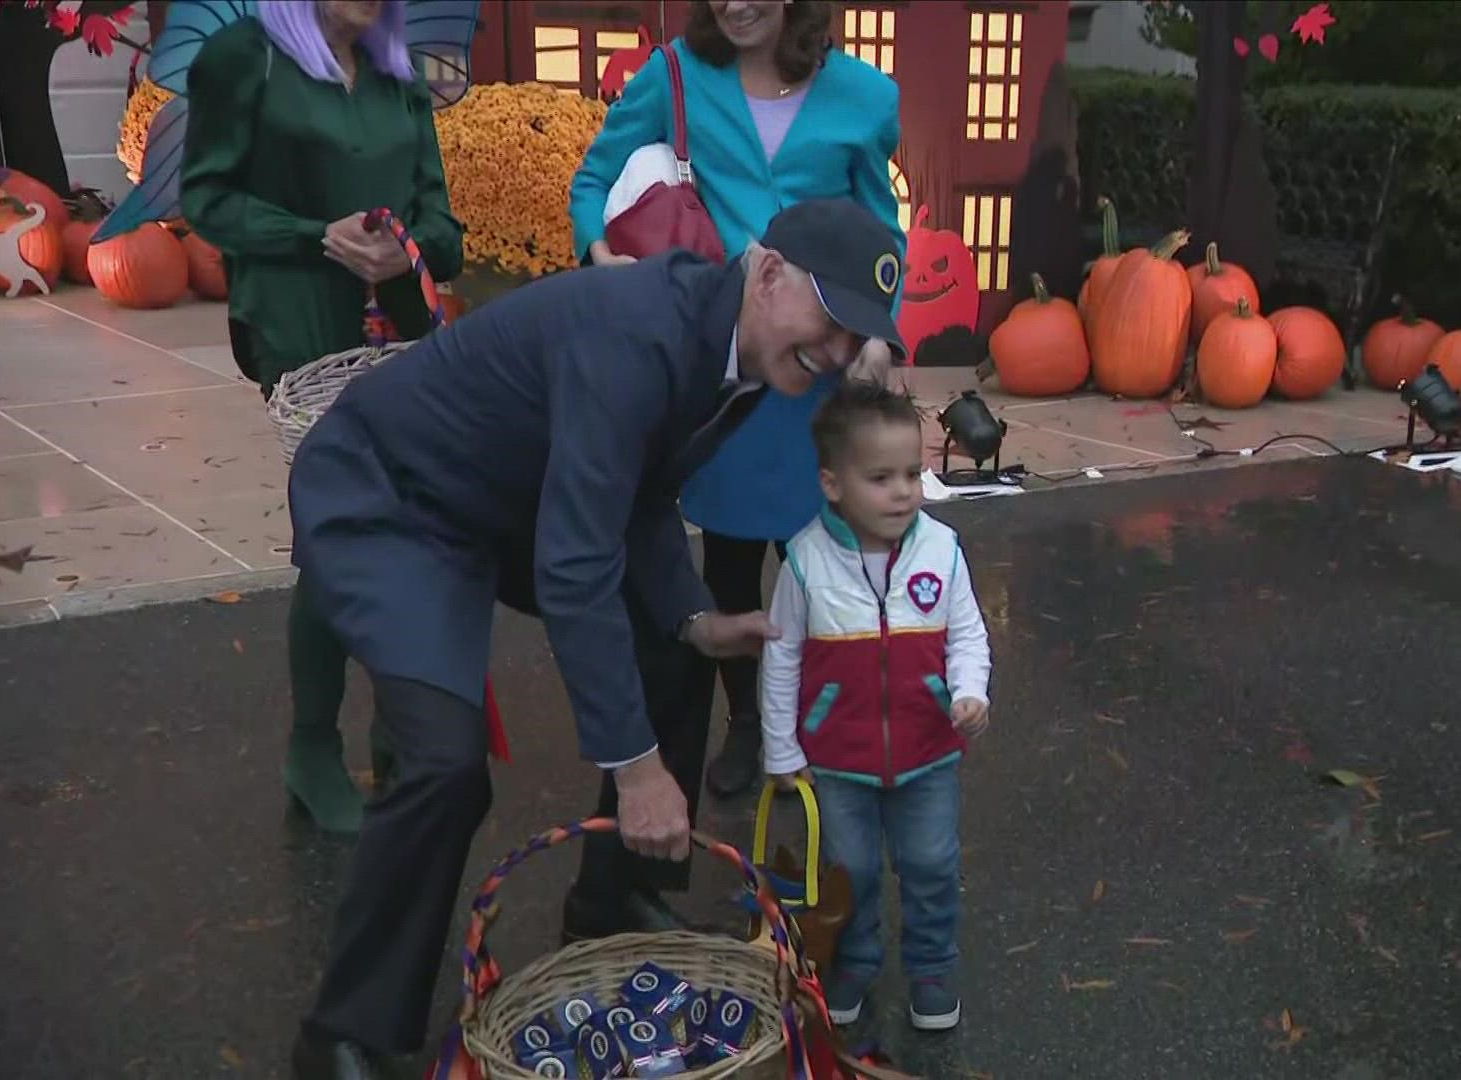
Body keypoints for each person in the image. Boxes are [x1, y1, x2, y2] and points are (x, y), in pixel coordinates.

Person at [286, 200, 906, 1078]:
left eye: (857, 336)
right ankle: (343, 1033)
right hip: (393, 497)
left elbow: (642, 492)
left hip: (507, 499)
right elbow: (577, 565)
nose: (840, 355)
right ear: (769, 275)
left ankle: (616, 904)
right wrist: (637, 767)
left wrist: (694, 617)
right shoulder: (639, 337)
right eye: (832, 321)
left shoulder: (738, 343)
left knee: (679, 646)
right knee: (443, 760)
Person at [569, 0, 906, 810]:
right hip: (722, 369)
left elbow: (881, 233)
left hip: (821, 374)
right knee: (726, 566)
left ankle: (820, 728)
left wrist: (879, 340)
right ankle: (749, 723)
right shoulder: (677, 75)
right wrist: (599, 254)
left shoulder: (867, 97)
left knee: (826, 568)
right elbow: (592, 180)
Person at [179, 0, 465, 834]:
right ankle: (312, 747)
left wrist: (406, 241)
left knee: (413, 528)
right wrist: (318, 236)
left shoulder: (398, 77)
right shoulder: (244, 58)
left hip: (402, 329)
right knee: (339, 532)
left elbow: (441, 223)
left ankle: (399, 728)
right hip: (301, 328)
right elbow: (209, 199)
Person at [760, 382, 993, 1033]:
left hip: (927, 749)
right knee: (850, 866)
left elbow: (968, 633)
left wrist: (969, 691)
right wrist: (782, 748)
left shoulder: (940, 552)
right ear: (833, 484)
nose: (902, 491)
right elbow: (781, 660)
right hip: (838, 759)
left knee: (930, 862)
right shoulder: (805, 561)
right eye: (881, 477)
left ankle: (931, 963)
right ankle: (855, 959)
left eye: (913, 473)